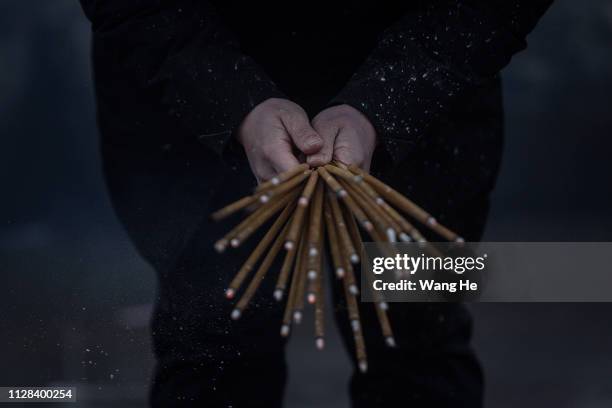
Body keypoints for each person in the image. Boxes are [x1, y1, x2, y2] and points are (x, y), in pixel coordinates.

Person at [79, 1, 552, 406]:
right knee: (214, 340)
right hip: (193, 103)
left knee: (419, 336)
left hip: (425, 101)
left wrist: (382, 105)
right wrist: (235, 103)